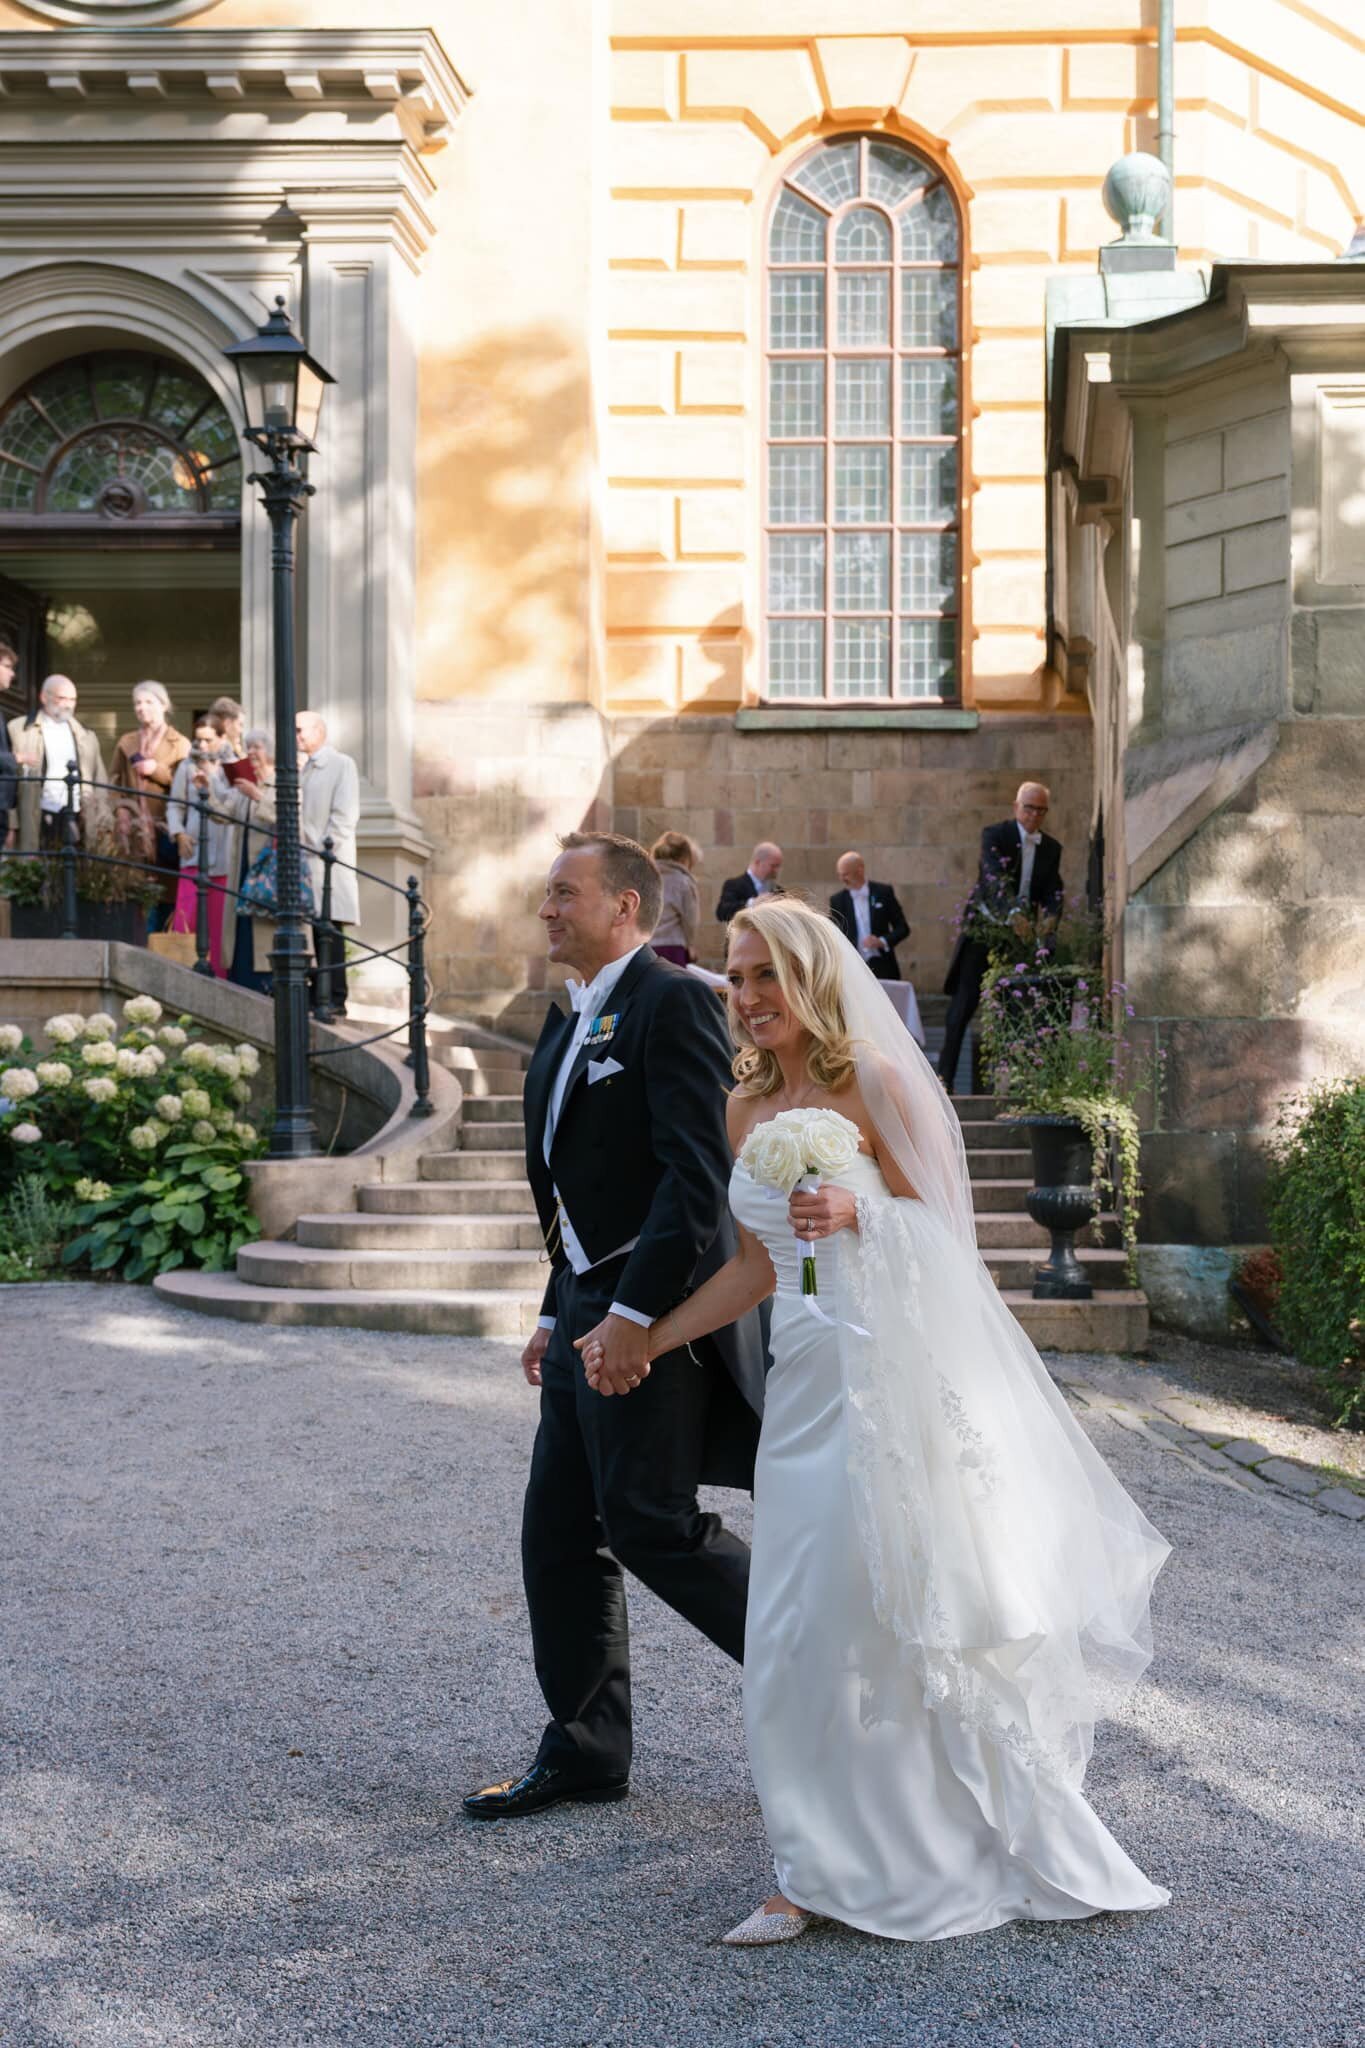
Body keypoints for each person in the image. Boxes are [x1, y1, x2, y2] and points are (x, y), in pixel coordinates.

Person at [582, 898, 1169, 1945]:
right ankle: (805, 1862)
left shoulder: (881, 1082)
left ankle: (924, 1844)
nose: (748, 997)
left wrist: (865, 1212)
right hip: (803, 1390)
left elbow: (952, 1247)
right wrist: (651, 1337)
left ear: (812, 977)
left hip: (888, 1386)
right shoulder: (743, 1106)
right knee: (795, 1623)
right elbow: (758, 1268)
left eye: (766, 975)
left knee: (889, 1615)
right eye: (737, 975)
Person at [462, 830, 765, 1822]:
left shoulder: (668, 1000)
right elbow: (570, 1193)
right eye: (546, 893)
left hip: (655, 1306)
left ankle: (827, 1669)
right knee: (559, 1530)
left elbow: (696, 1172)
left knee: (651, 1523)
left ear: (625, 906)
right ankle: (587, 1743)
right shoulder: (565, 1022)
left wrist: (635, 1314)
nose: (547, 908)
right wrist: (559, 1309)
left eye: (565, 892)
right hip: (585, 1306)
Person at [938, 782, 1064, 1092]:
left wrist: (1050, 915)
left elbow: (1053, 889)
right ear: (1016, 806)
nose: (1033, 815)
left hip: (1019, 939)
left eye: (1040, 809)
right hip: (985, 928)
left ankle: (1018, 1083)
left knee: (1017, 1005)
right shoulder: (995, 835)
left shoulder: (1051, 848)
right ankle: (944, 1079)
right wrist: (1012, 914)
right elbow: (992, 878)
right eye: (1028, 808)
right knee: (963, 1004)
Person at [110, 681, 190, 931]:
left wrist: (157, 771)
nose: (141, 708)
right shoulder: (127, 742)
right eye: (137, 703)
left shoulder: (180, 744)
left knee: (167, 894)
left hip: (166, 831)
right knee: (136, 893)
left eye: (148, 702)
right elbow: (113, 781)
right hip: (133, 832)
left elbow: (187, 785)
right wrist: (120, 809)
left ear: (163, 705)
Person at [296, 711, 360, 1013]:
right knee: (312, 929)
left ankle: (335, 996)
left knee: (329, 929)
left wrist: (323, 848)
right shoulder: (303, 768)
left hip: (326, 861)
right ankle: (315, 990)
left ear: (319, 731)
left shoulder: (341, 764)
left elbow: (345, 815)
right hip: (305, 861)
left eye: (300, 730)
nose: (296, 737)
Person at [166, 715, 238, 977]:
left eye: (209, 739)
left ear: (222, 738)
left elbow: (232, 805)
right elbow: (175, 805)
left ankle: (219, 981)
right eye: (199, 739)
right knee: (186, 920)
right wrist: (179, 833)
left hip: (223, 856)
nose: (203, 745)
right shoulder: (187, 766)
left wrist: (212, 776)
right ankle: (181, 978)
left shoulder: (233, 767)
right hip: (193, 853)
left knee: (217, 926)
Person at [221, 729, 291, 992]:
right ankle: (239, 979)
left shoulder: (283, 783)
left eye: (257, 748)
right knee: (240, 932)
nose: (251, 753)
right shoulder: (245, 787)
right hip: (242, 871)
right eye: (248, 748)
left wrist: (258, 797)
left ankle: (263, 983)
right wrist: (206, 790)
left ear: (271, 753)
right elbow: (222, 815)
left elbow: (292, 822)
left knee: (261, 933)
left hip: (267, 875)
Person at [6, 675, 108, 853]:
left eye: (73, 699)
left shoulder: (87, 736)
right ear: (44, 697)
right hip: (36, 814)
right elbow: (7, 781)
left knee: (73, 873)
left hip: (76, 815)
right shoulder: (18, 729)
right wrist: (10, 822)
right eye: (62, 698)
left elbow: (100, 781)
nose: (68, 704)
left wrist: (102, 818)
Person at [828, 850, 910, 983]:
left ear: (860, 870)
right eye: (840, 875)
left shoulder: (884, 892)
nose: (842, 879)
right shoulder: (837, 900)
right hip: (852, 968)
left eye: (846, 874)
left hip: (883, 967)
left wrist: (882, 941)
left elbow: (903, 928)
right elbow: (834, 935)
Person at [649, 829, 701, 966]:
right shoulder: (683, 882)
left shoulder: (647, 877)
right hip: (673, 947)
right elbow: (690, 920)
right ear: (685, 858)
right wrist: (691, 945)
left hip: (646, 948)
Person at [715, 840, 782, 923]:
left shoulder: (778, 890)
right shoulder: (734, 885)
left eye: (778, 866)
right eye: (773, 866)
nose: (777, 871)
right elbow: (722, 912)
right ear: (758, 862)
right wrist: (752, 903)